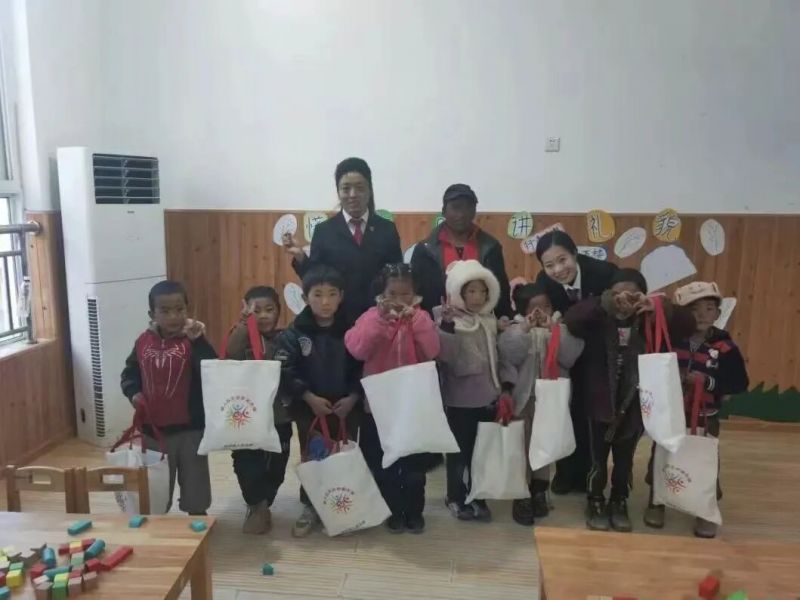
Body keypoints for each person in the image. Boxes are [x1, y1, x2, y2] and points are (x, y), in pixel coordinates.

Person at [563, 269, 695, 532]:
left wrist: (658, 306)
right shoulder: (598, 318)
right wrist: (606, 303)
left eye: (632, 294)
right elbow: (572, 318)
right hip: (599, 402)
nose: (624, 299)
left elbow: (688, 325)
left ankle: (619, 499)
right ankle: (595, 500)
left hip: (634, 403)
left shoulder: (648, 318)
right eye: (617, 293)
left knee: (624, 459)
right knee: (597, 458)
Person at [644, 281, 749, 539]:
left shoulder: (725, 348)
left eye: (709, 308)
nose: (702, 315)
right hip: (671, 414)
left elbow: (739, 383)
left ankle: (705, 509)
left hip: (705, 416)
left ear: (717, 313)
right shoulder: (670, 340)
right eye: (693, 309)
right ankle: (657, 502)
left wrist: (707, 382)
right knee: (662, 456)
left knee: (704, 460)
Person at [345, 263, 441, 534]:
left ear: (415, 294)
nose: (399, 300)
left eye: (405, 294)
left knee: (414, 463)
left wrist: (417, 321)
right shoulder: (370, 317)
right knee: (383, 463)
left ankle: (414, 511)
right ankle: (393, 511)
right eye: (392, 293)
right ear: (381, 293)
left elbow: (433, 350)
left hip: (414, 404)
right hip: (379, 404)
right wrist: (380, 320)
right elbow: (358, 349)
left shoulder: (422, 318)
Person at [275, 266, 362, 537]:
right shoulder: (294, 333)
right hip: (310, 409)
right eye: (318, 294)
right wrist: (308, 397)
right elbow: (285, 369)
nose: (325, 302)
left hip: (346, 407)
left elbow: (362, 365)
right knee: (313, 457)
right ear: (305, 298)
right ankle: (310, 506)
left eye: (332, 294)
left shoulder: (353, 330)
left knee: (344, 457)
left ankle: (342, 508)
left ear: (341, 296)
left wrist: (353, 397)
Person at [120, 280, 217, 516]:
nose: (174, 316)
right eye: (165, 311)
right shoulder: (143, 342)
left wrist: (199, 342)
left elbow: (212, 369)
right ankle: (158, 521)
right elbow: (129, 374)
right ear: (152, 314)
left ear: (187, 309)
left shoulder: (194, 341)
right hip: (154, 431)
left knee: (195, 482)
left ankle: (197, 518)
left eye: (179, 309)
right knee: (157, 486)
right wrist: (133, 393)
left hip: (191, 429)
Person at [534, 230, 619, 495]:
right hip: (565, 355)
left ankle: (591, 474)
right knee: (565, 411)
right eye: (549, 265)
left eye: (563, 260)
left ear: (575, 254)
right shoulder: (544, 283)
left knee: (592, 417)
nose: (558, 270)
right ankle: (565, 473)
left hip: (600, 354)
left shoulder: (605, 273)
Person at [498, 282, 584, 526]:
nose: (540, 313)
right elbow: (508, 355)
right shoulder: (514, 329)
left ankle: (539, 490)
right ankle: (522, 494)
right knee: (522, 447)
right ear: (523, 309)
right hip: (523, 399)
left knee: (545, 446)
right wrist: (525, 328)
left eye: (545, 307)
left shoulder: (560, 328)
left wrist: (554, 330)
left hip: (550, 399)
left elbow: (570, 356)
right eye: (533, 308)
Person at [282, 157, 403, 326]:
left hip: (380, 322)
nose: (353, 195)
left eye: (360, 188)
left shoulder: (387, 229)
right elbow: (317, 278)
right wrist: (301, 257)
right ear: (338, 192)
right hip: (338, 324)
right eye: (346, 189)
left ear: (369, 191)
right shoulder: (324, 231)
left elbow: (397, 277)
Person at [435, 259, 508, 522]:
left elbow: (498, 356)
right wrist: (446, 326)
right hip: (460, 401)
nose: (478, 297)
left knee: (482, 451)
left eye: (483, 291)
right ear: (458, 292)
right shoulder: (447, 318)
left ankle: (478, 495)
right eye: (472, 291)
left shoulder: (489, 319)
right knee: (459, 452)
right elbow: (444, 355)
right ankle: (455, 496)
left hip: (488, 398)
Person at [225, 285, 291, 535]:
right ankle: (256, 505)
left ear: (278, 311)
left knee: (277, 466)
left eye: (269, 309)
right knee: (246, 462)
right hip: (245, 417)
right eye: (256, 310)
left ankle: (265, 501)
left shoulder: (286, 338)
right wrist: (244, 324)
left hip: (279, 417)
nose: (263, 315)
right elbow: (230, 351)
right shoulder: (241, 336)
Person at [411, 183, 512, 319]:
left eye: (468, 207)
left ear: (474, 211)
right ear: (444, 211)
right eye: (456, 207)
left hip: (481, 325)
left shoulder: (491, 247)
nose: (462, 214)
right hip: (435, 325)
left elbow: (501, 292)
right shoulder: (425, 250)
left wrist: (504, 320)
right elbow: (415, 293)